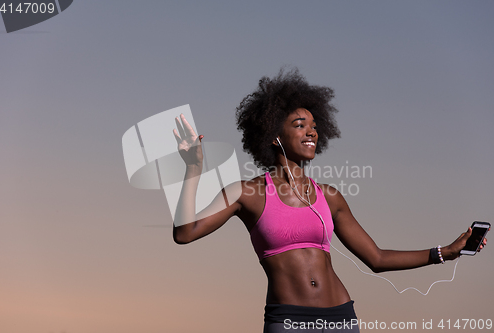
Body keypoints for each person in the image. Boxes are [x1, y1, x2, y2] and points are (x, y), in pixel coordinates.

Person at [172, 68, 487, 333]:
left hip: (341, 318)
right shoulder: (246, 193)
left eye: (313, 126)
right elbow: (184, 233)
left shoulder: (330, 196)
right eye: (299, 125)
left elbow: (376, 259)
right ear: (273, 135)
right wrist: (193, 169)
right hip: (288, 321)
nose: (311, 132)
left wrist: (445, 252)